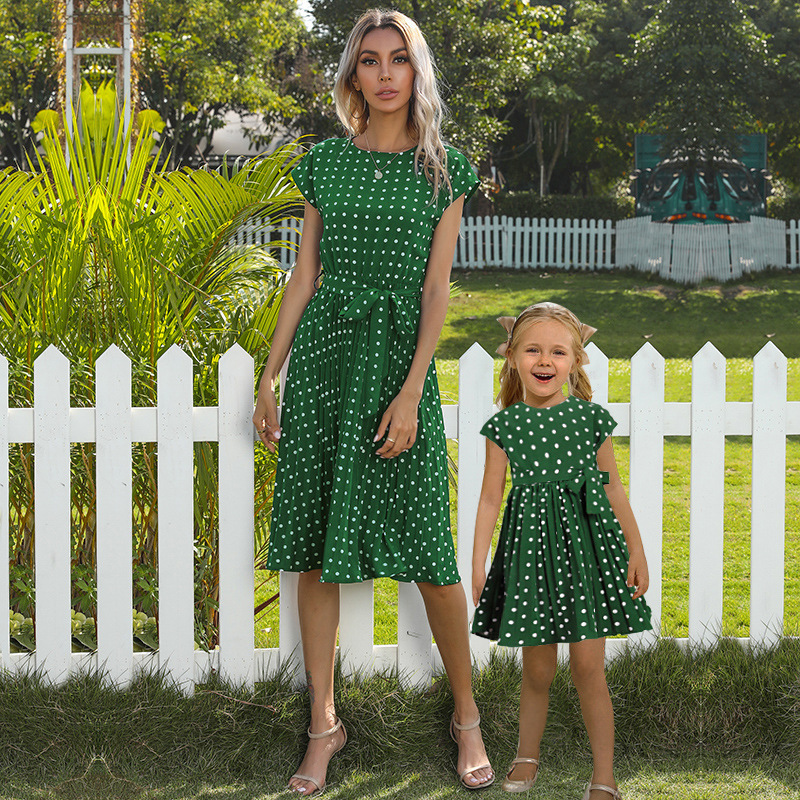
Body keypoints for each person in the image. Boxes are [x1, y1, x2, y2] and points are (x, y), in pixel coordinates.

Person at [252, 8, 494, 796]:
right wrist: (270, 373)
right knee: (318, 553)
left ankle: (467, 717)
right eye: (370, 61)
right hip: (326, 359)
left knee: (430, 552)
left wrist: (414, 387)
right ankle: (323, 723)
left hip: (399, 362)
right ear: (353, 75)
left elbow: (435, 288)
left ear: (417, 73)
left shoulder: (444, 168)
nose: (385, 73)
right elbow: (304, 276)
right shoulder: (325, 163)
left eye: (399, 59)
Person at [470, 303, 652, 799]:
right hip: (529, 558)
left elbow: (613, 489)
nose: (544, 360)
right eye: (532, 350)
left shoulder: (591, 421)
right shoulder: (504, 427)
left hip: (586, 557)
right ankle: (526, 758)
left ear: (575, 361)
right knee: (537, 668)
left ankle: (604, 774)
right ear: (512, 358)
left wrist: (636, 550)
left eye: (557, 351)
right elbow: (490, 498)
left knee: (589, 667)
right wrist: (478, 560)